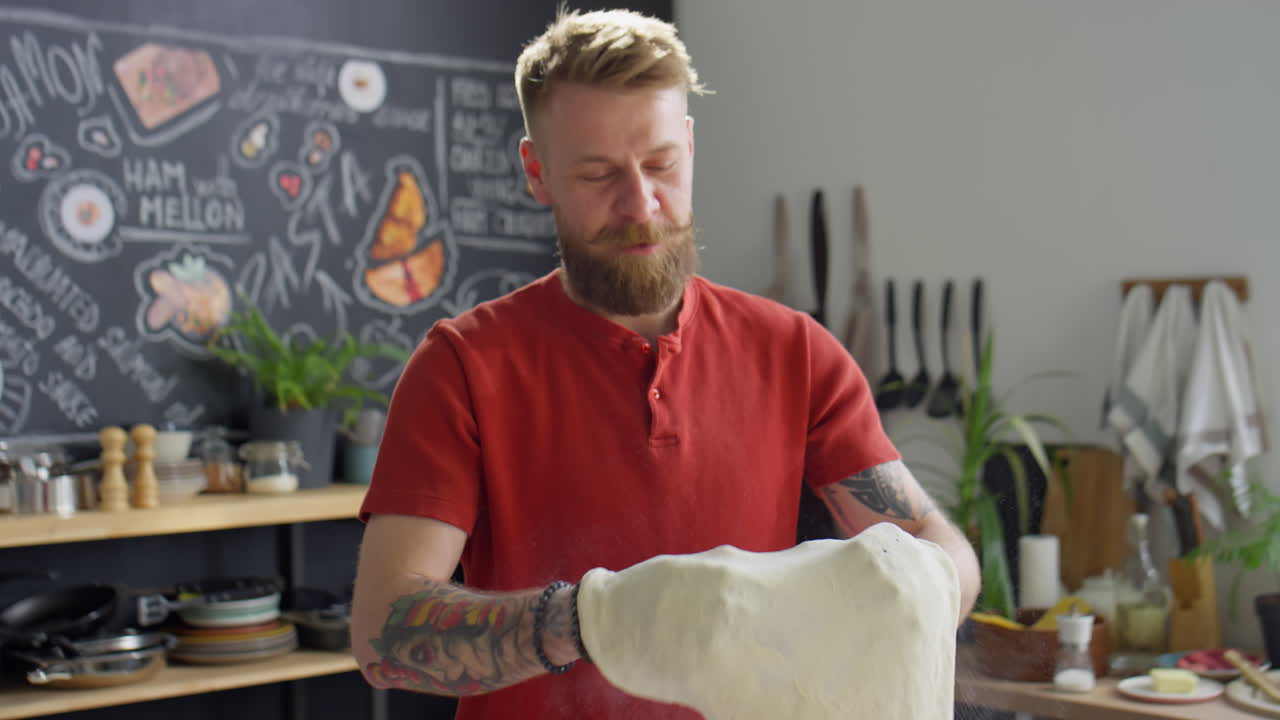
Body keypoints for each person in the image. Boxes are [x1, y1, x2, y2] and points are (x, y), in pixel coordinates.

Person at [350, 8, 980, 720]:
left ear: (688, 144)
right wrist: (597, 621)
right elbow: (383, 633)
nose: (640, 204)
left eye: (660, 164)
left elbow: (940, 550)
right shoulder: (464, 366)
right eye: (596, 174)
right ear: (538, 173)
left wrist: (878, 592)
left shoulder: (796, 354)